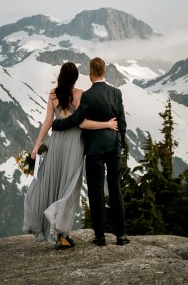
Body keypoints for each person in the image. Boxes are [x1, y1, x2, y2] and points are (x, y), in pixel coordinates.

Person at [23, 61, 117, 249]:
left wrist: (36, 146)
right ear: (75, 78)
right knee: (70, 186)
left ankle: (55, 228)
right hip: (74, 143)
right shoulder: (79, 94)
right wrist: (107, 124)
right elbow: (82, 123)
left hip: (56, 142)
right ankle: (61, 232)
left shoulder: (53, 94)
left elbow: (48, 121)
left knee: (54, 182)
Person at [50, 56, 128, 247]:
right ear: (104, 72)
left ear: (90, 74)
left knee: (95, 191)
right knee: (115, 189)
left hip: (94, 149)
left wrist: (57, 124)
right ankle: (121, 235)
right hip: (113, 147)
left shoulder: (88, 96)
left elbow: (77, 119)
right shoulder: (116, 93)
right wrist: (120, 142)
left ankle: (100, 236)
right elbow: (122, 122)